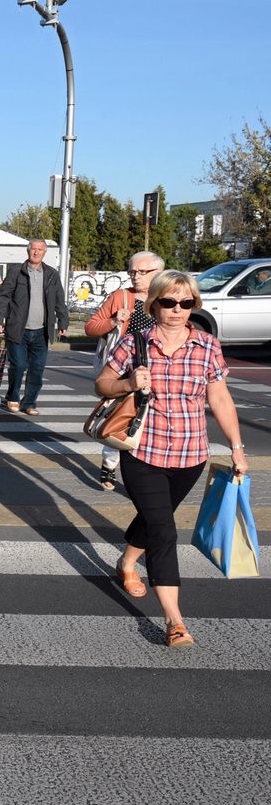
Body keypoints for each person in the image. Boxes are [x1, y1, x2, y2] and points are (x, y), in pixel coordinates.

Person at [95, 270, 247, 649]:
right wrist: (129, 383)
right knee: (164, 530)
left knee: (153, 518)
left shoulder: (207, 345)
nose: (177, 310)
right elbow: (102, 384)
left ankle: (127, 562)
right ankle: (175, 621)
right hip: (143, 451)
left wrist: (237, 448)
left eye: (186, 303)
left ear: (194, 305)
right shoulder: (135, 343)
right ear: (154, 304)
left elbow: (220, 398)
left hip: (191, 455)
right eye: (169, 302)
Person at [84, 251, 163, 490]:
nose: (135, 277)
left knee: (150, 420)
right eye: (132, 272)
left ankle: (144, 470)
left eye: (142, 272)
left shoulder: (166, 298)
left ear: (158, 272)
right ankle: (110, 463)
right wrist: (113, 321)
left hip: (156, 368)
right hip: (123, 368)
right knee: (121, 415)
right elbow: (91, 327)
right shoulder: (121, 297)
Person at [0, 238, 68, 415]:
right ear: (28, 251)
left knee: (37, 368)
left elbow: (59, 299)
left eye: (40, 249)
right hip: (18, 329)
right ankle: (12, 396)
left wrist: (63, 321)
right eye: (33, 249)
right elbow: (4, 297)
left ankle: (29, 403)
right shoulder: (15, 272)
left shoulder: (51, 274)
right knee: (18, 366)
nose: (36, 252)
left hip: (42, 331)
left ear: (44, 252)